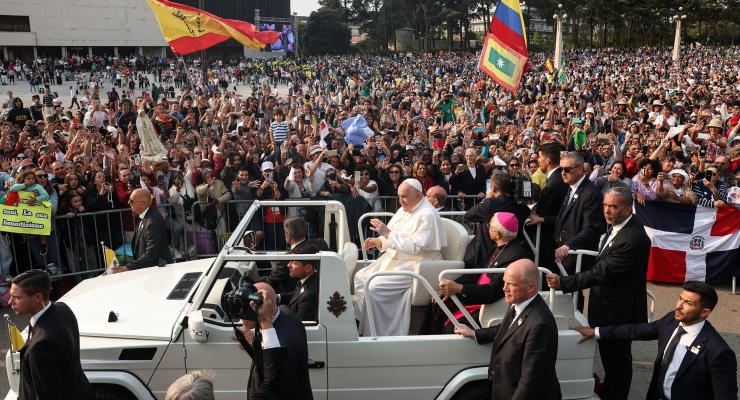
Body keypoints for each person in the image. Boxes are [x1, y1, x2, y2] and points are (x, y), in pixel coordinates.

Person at [546, 187, 651, 400]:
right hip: (608, 305)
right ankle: (611, 389)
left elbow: (601, 272)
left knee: (617, 359)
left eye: (613, 206)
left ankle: (615, 395)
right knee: (611, 358)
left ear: (629, 208)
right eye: (605, 205)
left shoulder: (633, 238)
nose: (607, 211)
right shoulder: (618, 226)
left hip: (618, 311)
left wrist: (563, 282)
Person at [573, 281, 737, 400]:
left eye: (688, 303)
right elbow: (636, 330)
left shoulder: (718, 352)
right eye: (680, 298)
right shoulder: (671, 321)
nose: (679, 306)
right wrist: (596, 331)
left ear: (704, 312)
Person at [454, 259, 561, 400]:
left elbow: (530, 382)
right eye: (505, 282)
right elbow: (508, 329)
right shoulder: (519, 303)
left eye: (511, 284)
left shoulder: (541, 325)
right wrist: (476, 334)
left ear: (530, 288)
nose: (504, 288)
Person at [354, 179, 447, 336]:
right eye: (399, 196)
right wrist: (378, 241)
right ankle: (365, 326)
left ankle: (382, 333)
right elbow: (393, 235)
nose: (400, 200)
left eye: (404, 196)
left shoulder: (427, 214)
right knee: (360, 277)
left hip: (418, 264)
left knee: (374, 286)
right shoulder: (405, 209)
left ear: (418, 195)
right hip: (398, 258)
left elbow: (416, 248)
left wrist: (387, 234)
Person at [437, 212, 531, 333]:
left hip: (487, 306)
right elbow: (477, 273)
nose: (488, 229)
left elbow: (494, 291)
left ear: (497, 234)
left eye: (490, 227)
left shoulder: (515, 257)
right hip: (477, 295)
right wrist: (452, 285)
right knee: (438, 303)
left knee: (449, 328)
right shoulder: (500, 246)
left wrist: (460, 288)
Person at [8, 269, 94, 400]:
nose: (10, 302)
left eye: (17, 298)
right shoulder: (62, 308)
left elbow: (46, 395)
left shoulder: (41, 346)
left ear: (38, 297)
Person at [236, 282, 313, 400]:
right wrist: (256, 342)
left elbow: (272, 387)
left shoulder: (283, 345)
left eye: (244, 308)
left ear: (260, 306)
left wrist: (264, 320)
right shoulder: (286, 314)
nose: (240, 315)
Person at [552, 152, 606, 279]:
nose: (563, 173)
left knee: (571, 295)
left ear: (581, 169)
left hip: (575, 254)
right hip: (564, 251)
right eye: (561, 169)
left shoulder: (590, 193)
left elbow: (591, 228)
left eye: (567, 169)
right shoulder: (571, 187)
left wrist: (569, 245)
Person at [528, 143, 568, 270]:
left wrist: (539, 218)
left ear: (547, 160)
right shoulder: (558, 178)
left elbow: (546, 213)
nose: (538, 160)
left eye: (539, 157)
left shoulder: (553, 184)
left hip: (549, 241)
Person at [113, 188, 169, 272]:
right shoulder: (143, 215)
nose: (129, 203)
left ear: (142, 204)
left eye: (131, 201)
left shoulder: (152, 221)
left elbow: (151, 253)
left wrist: (128, 267)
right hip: (148, 268)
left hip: (157, 271)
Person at [277, 241, 320, 321]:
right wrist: (277, 297)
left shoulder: (309, 295)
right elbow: (297, 295)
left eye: (294, 262)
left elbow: (298, 326)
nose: (288, 265)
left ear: (308, 268)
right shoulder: (308, 280)